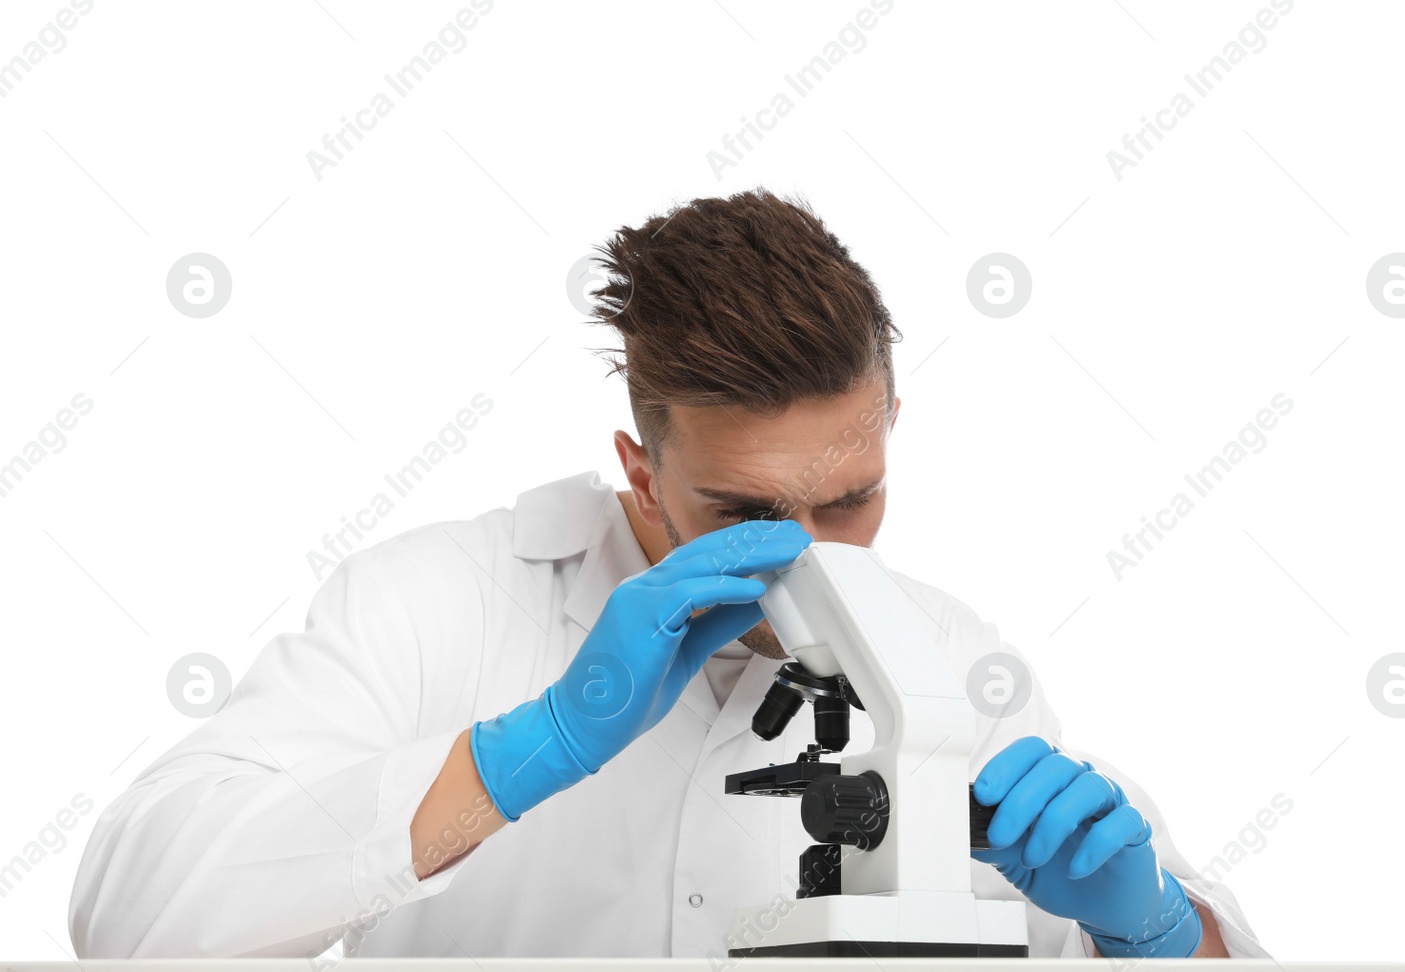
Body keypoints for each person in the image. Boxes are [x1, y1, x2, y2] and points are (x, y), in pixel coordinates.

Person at [69, 188, 1269, 961]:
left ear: (891, 423)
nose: (807, 552)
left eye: (851, 497)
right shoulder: (434, 605)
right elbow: (132, 922)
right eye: (743, 511)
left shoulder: (952, 659)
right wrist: (531, 749)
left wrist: (1157, 930)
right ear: (640, 471)